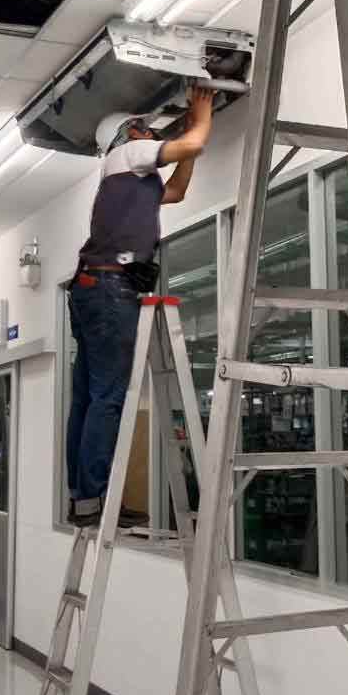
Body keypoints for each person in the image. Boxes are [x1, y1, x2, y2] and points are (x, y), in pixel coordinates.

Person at [66, 87, 214, 528]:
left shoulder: (132, 179)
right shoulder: (127, 154)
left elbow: (178, 191)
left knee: (88, 398)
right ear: (127, 133)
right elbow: (193, 145)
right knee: (108, 396)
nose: (149, 131)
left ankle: (84, 498)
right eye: (142, 127)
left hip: (95, 287)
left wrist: (190, 138)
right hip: (110, 289)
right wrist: (200, 118)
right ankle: (92, 498)